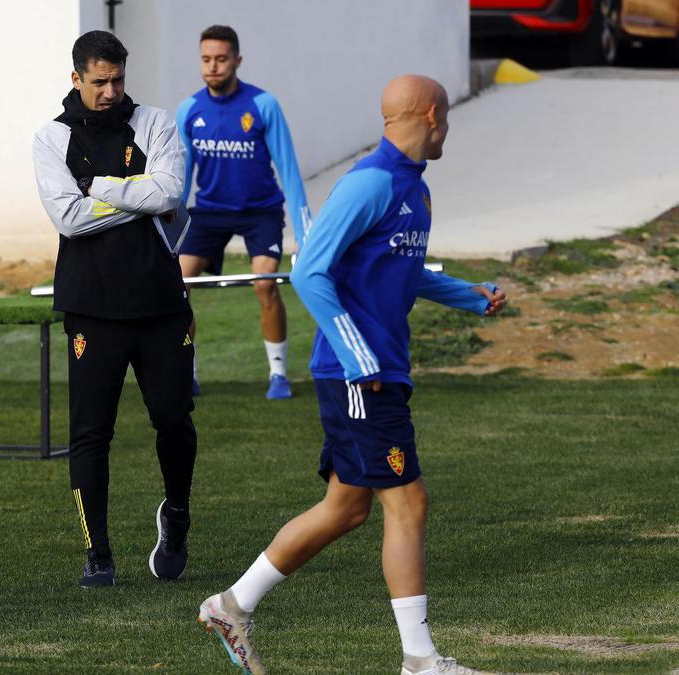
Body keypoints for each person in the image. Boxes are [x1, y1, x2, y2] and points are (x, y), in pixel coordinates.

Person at [197, 75, 506, 675]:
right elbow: (308, 271)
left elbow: (401, 271)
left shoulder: (415, 190)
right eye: (447, 117)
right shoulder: (369, 183)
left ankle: (231, 605)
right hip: (358, 375)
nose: (449, 127)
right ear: (432, 114)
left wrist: (470, 296)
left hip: (372, 369)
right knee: (408, 502)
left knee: (345, 508)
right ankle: (420, 662)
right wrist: (358, 352)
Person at [32, 30, 196, 588]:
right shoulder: (51, 138)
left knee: (173, 417)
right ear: (76, 79)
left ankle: (176, 514)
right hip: (91, 303)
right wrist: (139, 195)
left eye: (118, 80)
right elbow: (68, 221)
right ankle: (97, 552)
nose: (110, 91)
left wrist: (99, 186)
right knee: (91, 431)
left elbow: (171, 193)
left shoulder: (155, 122)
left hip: (159, 299)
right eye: (99, 81)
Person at [175, 25, 311, 400]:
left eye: (221, 59)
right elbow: (181, 181)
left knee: (265, 283)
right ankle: (187, 373)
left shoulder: (263, 105)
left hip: (260, 212)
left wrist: (305, 235)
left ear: (237, 60)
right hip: (211, 213)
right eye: (206, 60)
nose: (213, 67)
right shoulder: (189, 110)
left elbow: (289, 171)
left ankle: (278, 375)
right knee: (176, 286)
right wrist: (166, 235)